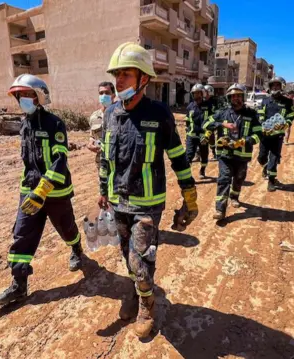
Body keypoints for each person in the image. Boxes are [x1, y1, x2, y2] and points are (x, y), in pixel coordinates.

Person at [99, 42, 198, 338]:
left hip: (147, 205)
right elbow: (106, 156)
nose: (118, 81)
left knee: (140, 261)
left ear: (144, 79)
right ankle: (136, 291)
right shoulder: (111, 114)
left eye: (126, 74)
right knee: (125, 256)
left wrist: (189, 195)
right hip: (118, 202)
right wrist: (102, 189)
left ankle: (147, 306)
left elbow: (178, 156)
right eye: (117, 74)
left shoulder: (159, 113)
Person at [0, 74, 83, 306]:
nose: (23, 99)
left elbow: (60, 160)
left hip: (55, 192)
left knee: (67, 228)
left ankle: (77, 249)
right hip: (29, 191)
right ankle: (18, 285)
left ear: (39, 96)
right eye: (19, 96)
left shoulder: (55, 123)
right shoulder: (24, 124)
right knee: (22, 234)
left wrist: (43, 189)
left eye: (27, 95)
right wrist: (31, 188)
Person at [204, 84, 263, 219]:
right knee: (224, 179)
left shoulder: (251, 114)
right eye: (233, 96)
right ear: (229, 98)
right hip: (225, 155)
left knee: (239, 178)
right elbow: (206, 124)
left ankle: (234, 196)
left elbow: (259, 134)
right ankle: (220, 210)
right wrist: (221, 124)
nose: (236, 99)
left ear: (243, 97)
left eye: (238, 96)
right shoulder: (222, 113)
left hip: (242, 155)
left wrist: (245, 141)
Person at [256, 76, 294, 192]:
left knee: (274, 158)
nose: (275, 87)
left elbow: (291, 115)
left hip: (278, 136)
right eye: (273, 86)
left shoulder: (287, 102)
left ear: (281, 87)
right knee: (261, 157)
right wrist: (262, 122)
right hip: (265, 135)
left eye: (277, 85)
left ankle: (271, 181)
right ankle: (265, 166)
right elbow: (260, 114)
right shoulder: (265, 101)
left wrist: (286, 124)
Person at [87, 81, 116, 169]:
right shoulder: (94, 116)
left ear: (113, 95)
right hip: (101, 163)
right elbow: (92, 136)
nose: (104, 95)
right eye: (101, 93)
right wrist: (90, 144)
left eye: (107, 93)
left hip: (118, 163)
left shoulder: (120, 115)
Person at [186, 84, 211, 178]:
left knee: (204, 155)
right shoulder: (190, 107)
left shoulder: (208, 106)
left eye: (198, 93)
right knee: (189, 155)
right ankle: (187, 175)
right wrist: (187, 131)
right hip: (191, 136)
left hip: (203, 136)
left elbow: (211, 122)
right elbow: (187, 121)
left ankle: (202, 170)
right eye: (195, 94)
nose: (197, 96)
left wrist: (207, 135)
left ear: (202, 94)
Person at [204, 84, 218, 160]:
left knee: (210, 138)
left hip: (211, 123)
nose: (204, 94)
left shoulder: (214, 102)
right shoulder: (202, 101)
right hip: (203, 123)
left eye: (205, 92)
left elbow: (216, 113)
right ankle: (198, 154)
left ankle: (214, 153)